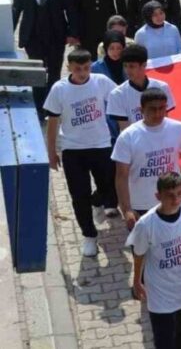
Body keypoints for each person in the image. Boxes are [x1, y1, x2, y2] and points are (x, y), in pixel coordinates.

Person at [44, 48, 118, 257]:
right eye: (78, 69)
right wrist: (51, 152)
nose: (83, 72)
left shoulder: (100, 81)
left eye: (86, 68)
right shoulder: (59, 89)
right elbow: (52, 122)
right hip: (73, 150)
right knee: (79, 195)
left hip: (102, 145)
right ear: (69, 68)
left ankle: (97, 202)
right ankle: (89, 235)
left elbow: (121, 96)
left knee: (109, 185)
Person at [126, 172, 181, 349]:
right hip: (160, 295)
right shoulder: (146, 224)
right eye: (169, 195)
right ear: (158, 196)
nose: (175, 199)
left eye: (179, 194)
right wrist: (136, 282)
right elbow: (139, 254)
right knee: (163, 340)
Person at [113, 88, 181, 231]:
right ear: (141, 110)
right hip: (141, 205)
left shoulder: (179, 129)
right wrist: (127, 209)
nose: (158, 113)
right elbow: (121, 175)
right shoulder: (128, 137)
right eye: (152, 109)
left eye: (162, 108)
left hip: (173, 201)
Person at [12, 0, 79, 117]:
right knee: (37, 73)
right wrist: (7, 35)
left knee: (54, 72)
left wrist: (73, 33)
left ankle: (53, 107)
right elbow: (16, 11)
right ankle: (39, 107)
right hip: (32, 37)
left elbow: (71, 10)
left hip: (56, 36)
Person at [107, 43, 177, 132]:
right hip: (134, 142)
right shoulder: (117, 94)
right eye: (125, 66)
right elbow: (125, 129)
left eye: (132, 66)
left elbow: (164, 120)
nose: (127, 70)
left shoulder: (161, 87)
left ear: (144, 65)